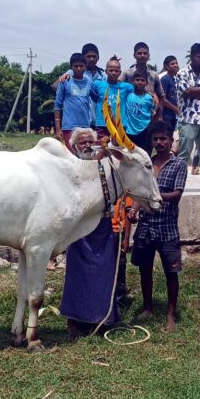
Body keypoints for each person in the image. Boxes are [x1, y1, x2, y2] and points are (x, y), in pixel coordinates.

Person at [60, 127, 123, 335]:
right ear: (74, 146)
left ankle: (102, 319)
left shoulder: (105, 164)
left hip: (102, 225)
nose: (86, 145)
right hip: (78, 228)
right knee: (77, 274)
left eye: (90, 142)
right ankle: (76, 320)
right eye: (82, 142)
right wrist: (102, 152)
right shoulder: (69, 166)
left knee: (103, 271)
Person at [129, 121, 187, 331]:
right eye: (156, 139)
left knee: (171, 272)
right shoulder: (147, 164)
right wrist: (134, 210)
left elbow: (177, 195)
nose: (159, 142)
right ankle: (147, 308)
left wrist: (154, 197)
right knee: (145, 270)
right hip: (146, 227)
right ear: (152, 142)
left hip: (167, 228)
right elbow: (140, 193)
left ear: (171, 141)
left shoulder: (179, 164)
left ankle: (171, 314)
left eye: (164, 139)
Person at [176, 43, 200, 175]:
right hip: (188, 119)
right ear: (192, 56)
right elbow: (186, 91)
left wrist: (194, 92)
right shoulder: (182, 73)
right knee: (184, 154)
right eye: (199, 57)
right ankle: (178, 183)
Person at [54, 53, 94, 150]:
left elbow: (98, 98)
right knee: (70, 156)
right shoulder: (65, 82)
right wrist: (58, 129)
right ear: (71, 67)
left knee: (84, 156)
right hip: (69, 127)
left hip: (85, 127)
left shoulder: (89, 83)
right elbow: (57, 106)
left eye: (81, 66)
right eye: (76, 66)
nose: (79, 68)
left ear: (85, 66)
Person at [90, 56, 134, 140]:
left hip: (120, 124)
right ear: (106, 71)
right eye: (111, 70)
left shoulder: (127, 87)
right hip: (102, 123)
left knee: (118, 149)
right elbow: (92, 96)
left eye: (116, 71)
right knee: (102, 148)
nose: (113, 73)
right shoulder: (97, 85)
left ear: (120, 72)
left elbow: (138, 94)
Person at [119, 42, 166, 115]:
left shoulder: (154, 74)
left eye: (145, 53)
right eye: (139, 53)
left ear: (149, 55)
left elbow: (162, 95)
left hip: (149, 113)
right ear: (134, 55)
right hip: (131, 113)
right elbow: (118, 89)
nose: (142, 55)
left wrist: (159, 114)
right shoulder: (127, 74)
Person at [124, 73, 157, 153]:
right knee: (129, 156)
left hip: (144, 131)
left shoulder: (150, 98)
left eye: (142, 80)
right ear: (132, 82)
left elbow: (154, 112)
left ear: (146, 83)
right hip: (129, 131)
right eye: (137, 80)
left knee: (144, 155)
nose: (140, 82)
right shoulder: (128, 95)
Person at [159, 55, 181, 131]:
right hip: (166, 115)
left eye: (176, 63)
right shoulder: (164, 79)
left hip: (175, 116)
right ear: (166, 66)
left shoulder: (177, 79)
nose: (175, 65)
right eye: (172, 64)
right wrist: (176, 109)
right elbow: (163, 99)